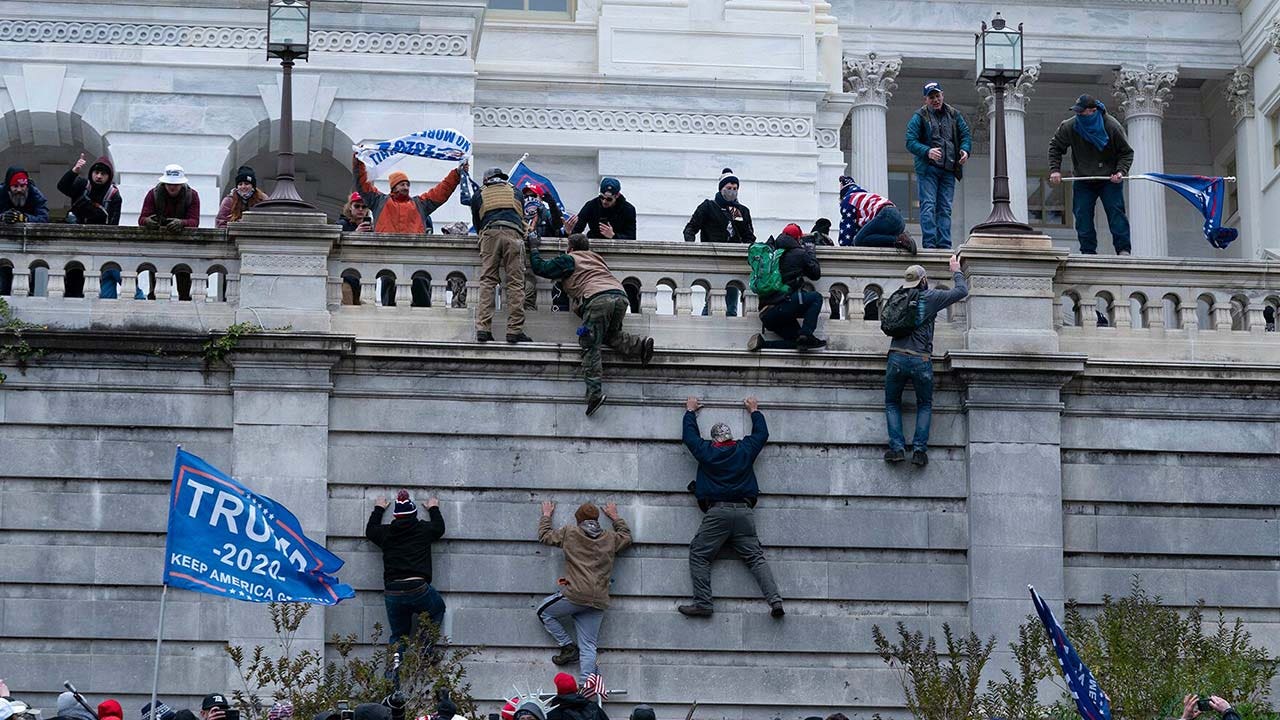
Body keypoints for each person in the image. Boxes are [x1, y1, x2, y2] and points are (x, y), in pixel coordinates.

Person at [678, 396, 783, 618]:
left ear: (715, 439)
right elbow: (761, 435)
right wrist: (754, 410)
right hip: (744, 513)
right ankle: (775, 601)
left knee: (699, 554)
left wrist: (690, 411)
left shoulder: (707, 451)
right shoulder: (744, 449)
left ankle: (704, 603)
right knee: (755, 558)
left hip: (717, 513)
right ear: (731, 437)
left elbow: (690, 437)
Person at [528, 233, 655, 415]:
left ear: (570, 248)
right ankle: (641, 347)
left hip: (597, 300)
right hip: (620, 296)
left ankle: (594, 394)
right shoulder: (597, 258)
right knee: (608, 335)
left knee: (590, 345)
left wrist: (533, 248)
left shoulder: (569, 259)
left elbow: (541, 268)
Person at [883, 255, 967, 467]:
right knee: (924, 404)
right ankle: (919, 451)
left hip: (896, 356)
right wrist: (956, 270)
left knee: (892, 403)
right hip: (920, 358)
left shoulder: (898, 296)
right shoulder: (931, 297)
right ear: (923, 280)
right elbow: (961, 291)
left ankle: (897, 448)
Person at [536, 500, 632, 680]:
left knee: (544, 611)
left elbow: (545, 535)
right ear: (597, 519)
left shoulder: (569, 532)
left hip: (575, 595)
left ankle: (568, 646)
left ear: (578, 520)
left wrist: (546, 515)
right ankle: (586, 688)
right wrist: (615, 517)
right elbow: (626, 536)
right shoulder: (610, 538)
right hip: (598, 600)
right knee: (588, 646)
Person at [1048, 94, 1134, 255]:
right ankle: (1088, 251)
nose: (1078, 115)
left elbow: (1126, 153)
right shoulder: (1070, 126)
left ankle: (1123, 249)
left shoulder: (1111, 126)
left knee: (1116, 212)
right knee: (1082, 215)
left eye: (1082, 112)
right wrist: (1055, 170)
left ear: (1093, 111)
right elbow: (1055, 147)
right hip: (1084, 178)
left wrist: (1121, 171)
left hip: (1109, 179)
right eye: (1077, 112)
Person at [365, 490, 448, 650]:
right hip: (418, 588)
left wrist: (379, 508)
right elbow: (439, 528)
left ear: (396, 516)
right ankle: (424, 652)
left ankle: (393, 672)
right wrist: (433, 508)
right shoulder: (423, 529)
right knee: (437, 609)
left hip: (393, 591)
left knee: (398, 636)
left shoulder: (387, 532)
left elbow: (370, 530)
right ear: (414, 514)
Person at [905, 82, 971, 249]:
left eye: (937, 96)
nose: (935, 99)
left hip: (948, 169)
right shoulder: (919, 116)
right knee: (928, 206)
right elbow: (910, 142)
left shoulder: (955, 115)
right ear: (925, 99)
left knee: (945, 208)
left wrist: (965, 150)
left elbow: (965, 135)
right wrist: (927, 151)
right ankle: (930, 244)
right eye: (931, 97)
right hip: (928, 169)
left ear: (942, 95)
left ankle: (944, 245)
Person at [471, 167, 531, 344]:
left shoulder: (479, 193)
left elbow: (477, 222)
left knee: (488, 280)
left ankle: (483, 328)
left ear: (486, 180)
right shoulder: (515, 191)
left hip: (490, 234)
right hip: (513, 235)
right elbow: (521, 216)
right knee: (515, 283)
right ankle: (514, 330)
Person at [748, 223, 825, 352]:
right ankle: (807, 333)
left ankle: (763, 344)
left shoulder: (771, 253)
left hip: (766, 314)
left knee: (799, 343)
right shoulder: (800, 253)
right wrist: (810, 252)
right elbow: (815, 274)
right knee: (816, 298)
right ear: (798, 239)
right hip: (783, 306)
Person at [353, 153, 464, 234]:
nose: (406, 187)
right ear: (393, 187)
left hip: (413, 254)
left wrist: (457, 174)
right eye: (402, 184)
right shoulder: (379, 201)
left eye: (407, 184)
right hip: (385, 253)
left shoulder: (420, 204)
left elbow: (441, 191)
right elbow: (363, 184)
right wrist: (359, 162)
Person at [838, 176, 915, 252]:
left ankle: (899, 240)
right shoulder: (864, 197)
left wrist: (845, 248)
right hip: (899, 220)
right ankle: (903, 241)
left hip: (887, 215)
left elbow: (847, 226)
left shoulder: (849, 199)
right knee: (872, 239)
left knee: (859, 240)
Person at [683, 168, 754, 244]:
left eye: (735, 189)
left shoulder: (736, 210)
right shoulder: (709, 207)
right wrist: (691, 246)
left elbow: (747, 236)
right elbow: (691, 228)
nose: (732, 191)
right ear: (721, 189)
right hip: (711, 253)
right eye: (729, 188)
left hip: (734, 253)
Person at [57, 153, 122, 225]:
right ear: (91, 173)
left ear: (109, 177)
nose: (99, 176)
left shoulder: (113, 195)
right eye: (96, 172)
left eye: (103, 174)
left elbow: (114, 223)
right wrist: (74, 171)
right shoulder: (82, 185)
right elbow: (62, 187)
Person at [568, 178, 636, 240]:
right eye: (602, 197)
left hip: (617, 247)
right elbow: (577, 228)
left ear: (617, 195)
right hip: (593, 243)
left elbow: (631, 236)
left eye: (609, 199)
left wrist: (613, 236)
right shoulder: (591, 205)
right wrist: (569, 231)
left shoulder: (628, 209)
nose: (604, 201)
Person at [139, 164, 201, 230]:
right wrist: (147, 221)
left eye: (176, 184)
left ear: (181, 184)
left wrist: (182, 223)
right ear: (164, 183)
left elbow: (195, 222)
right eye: (169, 184)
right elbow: (142, 219)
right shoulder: (153, 194)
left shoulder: (192, 196)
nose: (172, 187)